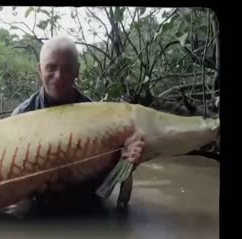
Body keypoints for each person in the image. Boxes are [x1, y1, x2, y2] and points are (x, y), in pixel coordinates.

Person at [10, 36, 145, 212]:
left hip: (85, 205)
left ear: (77, 71)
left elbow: (110, 181)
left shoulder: (99, 118)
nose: (59, 76)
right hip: (38, 208)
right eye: (51, 68)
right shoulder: (21, 116)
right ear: (39, 71)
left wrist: (127, 163)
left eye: (67, 68)